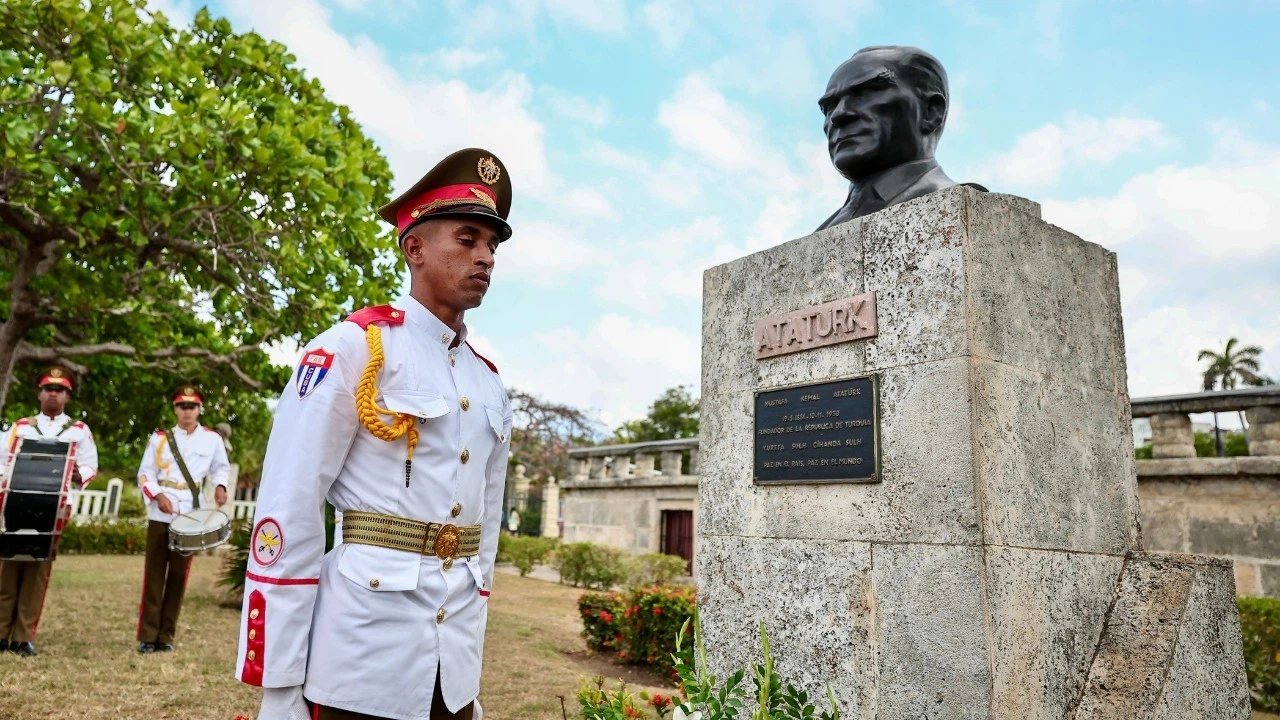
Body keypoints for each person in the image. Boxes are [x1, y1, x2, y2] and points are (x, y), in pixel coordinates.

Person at [237, 148, 515, 720]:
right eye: (467, 239)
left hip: (451, 671)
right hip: (361, 656)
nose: (485, 257)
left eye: (492, 245)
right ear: (414, 248)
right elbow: (290, 506)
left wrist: (467, 671)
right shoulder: (354, 348)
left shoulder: (489, 384)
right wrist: (281, 685)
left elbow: (482, 535)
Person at [816, 45, 984, 230]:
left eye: (867, 92)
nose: (838, 115)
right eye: (830, 106)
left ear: (931, 111)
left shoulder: (960, 204)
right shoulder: (822, 232)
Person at [0, 366, 98, 657]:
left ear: (67, 396)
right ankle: (1, 631)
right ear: (39, 393)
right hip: (16, 503)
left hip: (54, 506)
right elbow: (2, 462)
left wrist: (82, 475)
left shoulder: (78, 431)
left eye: (60, 390)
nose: (53, 394)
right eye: (48, 389)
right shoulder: (21, 427)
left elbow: (90, 464)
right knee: (8, 565)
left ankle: (22, 636)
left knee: (38, 569)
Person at [134, 384, 230, 653]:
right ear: (175, 409)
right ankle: (147, 636)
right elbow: (144, 474)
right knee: (153, 575)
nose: (186, 411)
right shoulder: (159, 439)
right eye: (181, 406)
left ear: (199, 409)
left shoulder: (212, 440)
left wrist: (221, 486)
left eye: (191, 406)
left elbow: (220, 468)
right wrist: (156, 495)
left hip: (191, 514)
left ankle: (166, 636)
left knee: (178, 577)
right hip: (159, 511)